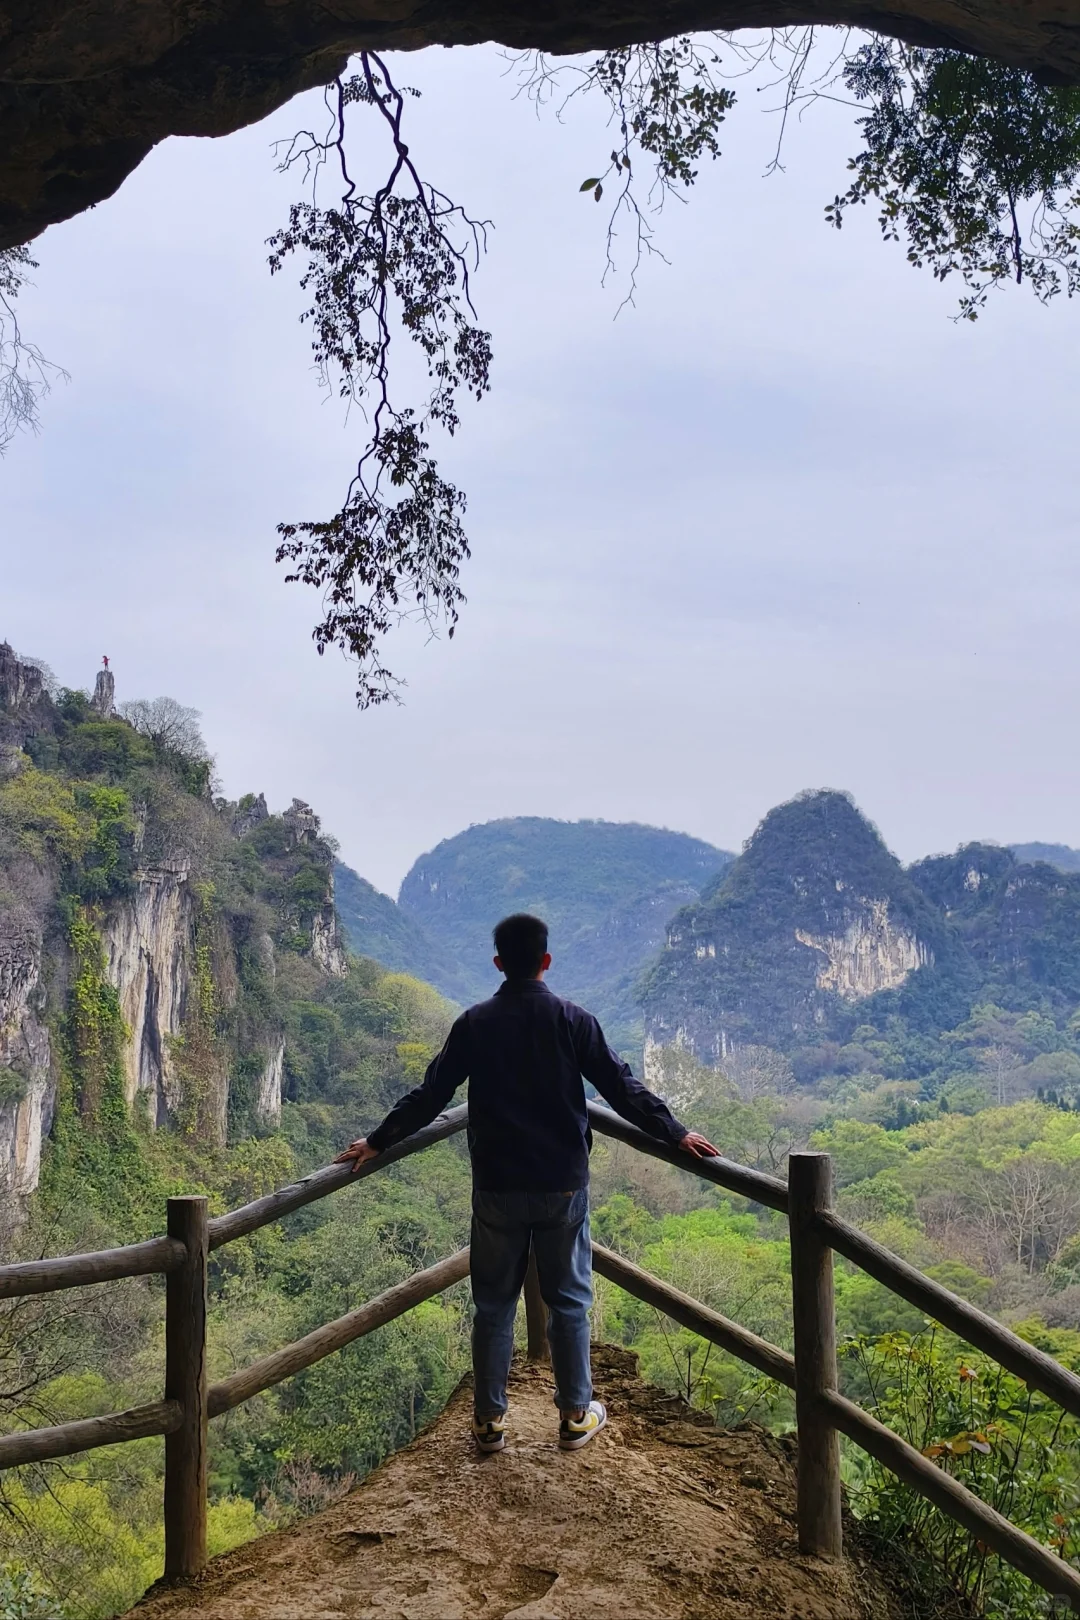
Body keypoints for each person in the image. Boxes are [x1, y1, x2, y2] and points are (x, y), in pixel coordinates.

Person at [335, 913, 718, 1454]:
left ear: (498, 963)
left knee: (493, 1304)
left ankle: (489, 1423)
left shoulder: (474, 1023)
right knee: (568, 1301)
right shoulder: (573, 1020)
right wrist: (674, 1131)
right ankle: (574, 1417)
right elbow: (620, 1085)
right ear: (546, 961)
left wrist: (377, 1141)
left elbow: (431, 1094)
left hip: (496, 1185)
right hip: (562, 1184)